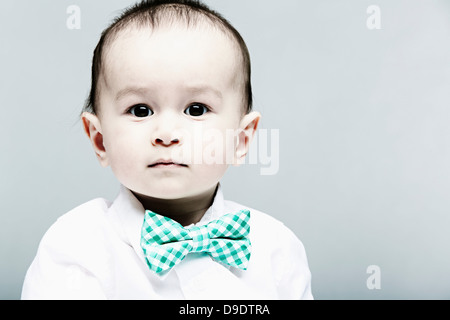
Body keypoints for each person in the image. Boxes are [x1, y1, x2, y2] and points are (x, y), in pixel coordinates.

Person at [21, 0, 313, 299]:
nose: (166, 134)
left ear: (241, 140)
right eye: (140, 110)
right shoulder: (77, 245)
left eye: (196, 109)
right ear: (99, 139)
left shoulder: (276, 247)